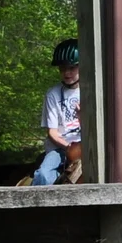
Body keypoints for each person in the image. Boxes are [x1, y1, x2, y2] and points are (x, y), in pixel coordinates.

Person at [32, 38, 81, 186]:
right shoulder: (52, 94)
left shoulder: (92, 92)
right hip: (60, 148)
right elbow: (52, 132)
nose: (66, 73)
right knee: (43, 176)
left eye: (71, 68)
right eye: (62, 68)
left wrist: (83, 118)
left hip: (87, 146)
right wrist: (69, 147)